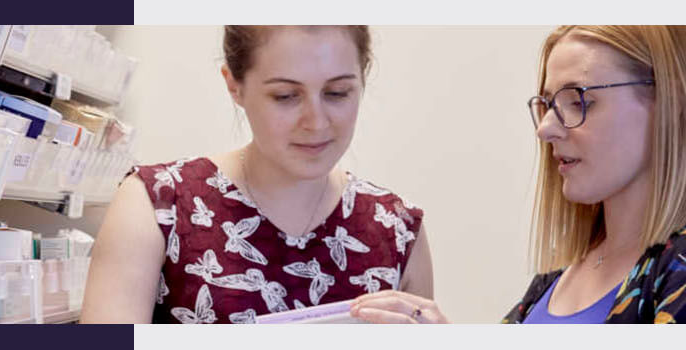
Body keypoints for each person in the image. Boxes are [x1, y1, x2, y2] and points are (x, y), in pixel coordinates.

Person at [80, 25, 439, 324]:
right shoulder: (158, 205)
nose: (315, 122)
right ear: (234, 85)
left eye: (337, 93)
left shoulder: (397, 228)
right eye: (285, 96)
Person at [496, 25, 686, 324]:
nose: (545, 128)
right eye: (547, 105)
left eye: (579, 102)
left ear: (672, 103)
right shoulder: (559, 273)